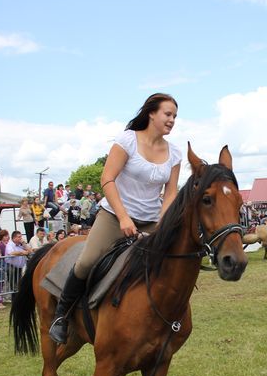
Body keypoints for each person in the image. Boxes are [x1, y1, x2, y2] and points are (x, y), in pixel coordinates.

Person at [49, 93, 182, 344]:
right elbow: (107, 179)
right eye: (167, 114)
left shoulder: (174, 153)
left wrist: (163, 223)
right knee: (87, 261)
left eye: (175, 116)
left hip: (151, 219)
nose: (172, 120)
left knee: (172, 264)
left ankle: (167, 319)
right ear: (151, 113)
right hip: (114, 215)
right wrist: (123, 218)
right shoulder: (127, 140)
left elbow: (171, 192)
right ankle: (61, 316)